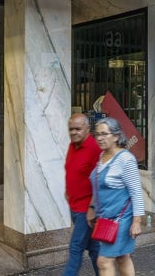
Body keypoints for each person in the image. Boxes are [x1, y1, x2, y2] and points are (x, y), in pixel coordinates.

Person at [87, 117, 145, 276]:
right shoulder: (102, 156)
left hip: (122, 220)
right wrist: (92, 208)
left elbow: (136, 192)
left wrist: (136, 222)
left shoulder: (126, 160)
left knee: (103, 261)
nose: (99, 138)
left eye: (104, 134)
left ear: (116, 136)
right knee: (122, 257)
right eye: (97, 134)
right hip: (106, 219)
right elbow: (98, 186)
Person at [63, 113, 101, 276]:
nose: (74, 132)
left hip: (86, 210)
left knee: (76, 247)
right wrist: (68, 190)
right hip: (75, 207)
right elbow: (72, 171)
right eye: (71, 129)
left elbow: (100, 181)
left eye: (78, 129)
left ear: (87, 129)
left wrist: (92, 208)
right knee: (94, 249)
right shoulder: (73, 146)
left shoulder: (94, 148)